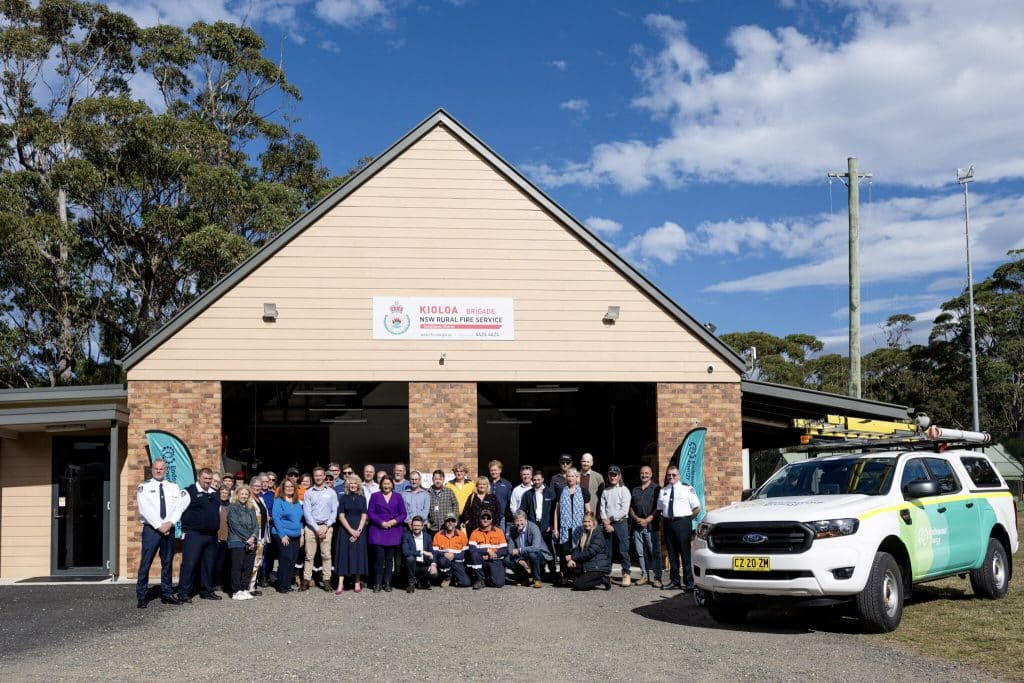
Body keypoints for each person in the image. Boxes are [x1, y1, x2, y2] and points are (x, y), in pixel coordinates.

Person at [135, 458, 187, 608]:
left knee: (167, 562)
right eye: (156, 468)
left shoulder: (173, 487)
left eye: (161, 468)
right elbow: (144, 509)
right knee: (146, 563)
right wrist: (159, 526)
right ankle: (142, 596)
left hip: (168, 529)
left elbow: (178, 507)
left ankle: (167, 593)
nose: (158, 471)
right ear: (152, 469)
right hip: (152, 529)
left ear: (165, 470)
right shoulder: (144, 487)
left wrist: (170, 523)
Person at [177, 468, 223, 603]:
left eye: (210, 479)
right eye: (205, 478)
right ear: (198, 477)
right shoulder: (188, 492)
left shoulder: (214, 494)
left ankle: (206, 591)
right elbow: (177, 511)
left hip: (211, 536)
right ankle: (184, 593)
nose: (207, 481)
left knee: (208, 565)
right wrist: (180, 532)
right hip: (194, 535)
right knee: (189, 565)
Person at [657, 466, 701, 591]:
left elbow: (697, 508)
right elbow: (660, 509)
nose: (671, 477)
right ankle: (675, 581)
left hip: (683, 523)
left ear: (679, 476)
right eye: (669, 475)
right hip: (668, 523)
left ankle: (689, 582)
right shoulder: (663, 491)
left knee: (685, 554)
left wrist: (687, 520)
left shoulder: (687, 489)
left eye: (674, 475)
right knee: (672, 553)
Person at [301, 466, 338, 592]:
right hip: (311, 527)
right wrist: (317, 528)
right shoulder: (308, 493)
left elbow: (334, 512)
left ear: (324, 476)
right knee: (309, 555)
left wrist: (326, 526)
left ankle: (326, 580)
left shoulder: (331, 493)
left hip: (327, 527)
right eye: (316, 475)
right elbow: (307, 513)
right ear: (313, 477)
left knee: (326, 555)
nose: (318, 477)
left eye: (321, 475)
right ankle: (306, 579)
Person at [367, 474, 407, 592]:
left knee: (389, 559)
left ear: (392, 485)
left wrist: (394, 521)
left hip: (393, 531)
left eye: (389, 483)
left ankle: (388, 583)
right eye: (384, 483)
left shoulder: (398, 496)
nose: (386, 486)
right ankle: (378, 584)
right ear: (381, 485)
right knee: (378, 559)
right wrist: (381, 523)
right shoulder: (375, 496)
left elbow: (403, 514)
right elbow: (370, 512)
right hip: (378, 531)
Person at [553, 468, 590, 585]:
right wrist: (555, 527)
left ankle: (576, 575)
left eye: (572, 476)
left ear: (576, 478)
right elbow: (556, 511)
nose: (570, 478)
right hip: (565, 527)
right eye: (568, 476)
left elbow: (588, 510)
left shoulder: (583, 492)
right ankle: (565, 575)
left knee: (577, 550)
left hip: (579, 527)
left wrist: (590, 525)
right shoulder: (561, 491)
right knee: (565, 550)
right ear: (566, 478)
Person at [333, 474, 369, 594]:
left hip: (360, 530)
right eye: (351, 483)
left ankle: (357, 582)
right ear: (348, 485)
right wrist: (350, 530)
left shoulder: (362, 498)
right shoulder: (343, 498)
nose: (353, 485)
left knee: (358, 555)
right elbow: (341, 516)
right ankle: (340, 584)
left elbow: (364, 515)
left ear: (358, 485)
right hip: (345, 530)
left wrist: (358, 530)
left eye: (355, 483)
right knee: (343, 555)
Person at [520, 469, 558, 579]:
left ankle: (553, 572)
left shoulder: (550, 493)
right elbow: (522, 510)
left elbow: (554, 511)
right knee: (535, 549)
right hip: (533, 526)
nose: (536, 482)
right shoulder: (528, 494)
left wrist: (551, 525)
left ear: (542, 479)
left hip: (546, 527)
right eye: (534, 480)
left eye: (538, 480)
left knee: (548, 550)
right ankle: (538, 572)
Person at [630, 465, 662, 587]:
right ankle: (644, 576)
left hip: (651, 527)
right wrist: (637, 519)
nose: (644, 475)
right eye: (642, 473)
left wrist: (647, 520)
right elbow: (631, 507)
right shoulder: (635, 490)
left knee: (654, 552)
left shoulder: (657, 488)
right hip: (638, 526)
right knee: (640, 553)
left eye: (647, 473)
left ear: (651, 474)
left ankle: (657, 578)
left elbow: (658, 507)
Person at [600, 465, 632, 586]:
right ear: (608, 476)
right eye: (611, 475)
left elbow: (624, 510)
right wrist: (605, 521)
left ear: (619, 476)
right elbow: (602, 508)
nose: (613, 477)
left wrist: (610, 519)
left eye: (615, 475)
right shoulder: (605, 491)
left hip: (620, 523)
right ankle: (607, 573)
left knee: (623, 549)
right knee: (608, 550)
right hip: (607, 523)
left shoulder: (624, 490)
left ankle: (626, 574)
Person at [271, 478, 303, 593]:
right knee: (286, 558)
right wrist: (282, 535)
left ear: (294, 488)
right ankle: (282, 586)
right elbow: (276, 518)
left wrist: (301, 534)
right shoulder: (279, 501)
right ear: (283, 489)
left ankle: (288, 584)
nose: (289, 488)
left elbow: (300, 520)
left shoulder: (297, 502)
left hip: (296, 535)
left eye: (291, 486)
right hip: (283, 534)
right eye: (286, 487)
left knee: (293, 560)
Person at [227, 485, 259, 600]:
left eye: (246, 494)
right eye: (242, 494)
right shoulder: (232, 507)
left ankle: (245, 588)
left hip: (250, 542)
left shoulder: (251, 508)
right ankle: (236, 591)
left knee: (248, 567)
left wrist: (253, 537)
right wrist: (248, 539)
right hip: (237, 541)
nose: (244, 496)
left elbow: (256, 525)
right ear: (237, 494)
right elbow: (235, 525)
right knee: (237, 567)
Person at [504, 509, 550, 588]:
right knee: (506, 560)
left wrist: (520, 550)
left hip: (539, 554)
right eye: (517, 521)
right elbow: (510, 549)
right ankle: (526, 577)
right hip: (522, 556)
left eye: (521, 520)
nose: (519, 523)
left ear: (526, 520)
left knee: (532, 554)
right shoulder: (512, 530)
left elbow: (535, 548)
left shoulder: (533, 528)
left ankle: (537, 579)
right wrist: (519, 560)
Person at [567, 512, 611, 591]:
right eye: (585, 521)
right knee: (569, 565)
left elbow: (590, 553)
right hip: (589, 563)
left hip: (597, 567)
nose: (586, 524)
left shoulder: (598, 533)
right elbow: (578, 549)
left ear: (594, 522)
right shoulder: (584, 533)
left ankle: (603, 579)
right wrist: (572, 559)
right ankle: (585, 579)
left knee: (578, 585)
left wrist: (573, 557)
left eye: (589, 521)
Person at [467, 510, 507, 589]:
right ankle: (480, 580)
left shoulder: (499, 532)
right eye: (483, 517)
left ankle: (488, 577)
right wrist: (487, 550)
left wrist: (494, 555)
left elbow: (504, 550)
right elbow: (471, 549)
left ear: (491, 520)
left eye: (488, 518)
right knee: (474, 555)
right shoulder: (474, 533)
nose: (485, 520)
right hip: (482, 560)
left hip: (494, 559)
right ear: (480, 519)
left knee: (499, 584)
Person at [432, 512, 471, 587]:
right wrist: (444, 554)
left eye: (452, 520)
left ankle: (454, 578)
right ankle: (447, 577)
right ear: (445, 522)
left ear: (456, 523)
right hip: (444, 561)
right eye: (448, 520)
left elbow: (465, 553)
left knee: (465, 583)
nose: (450, 522)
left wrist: (454, 556)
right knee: (443, 561)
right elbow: (434, 552)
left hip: (457, 562)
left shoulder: (462, 535)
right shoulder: (438, 535)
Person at [401, 516, 436, 592]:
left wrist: (433, 564)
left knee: (435, 575)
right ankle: (411, 583)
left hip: (424, 564)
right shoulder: (406, 535)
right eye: (414, 525)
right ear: (411, 526)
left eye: (418, 525)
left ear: (423, 526)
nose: (416, 528)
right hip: (412, 565)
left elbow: (432, 552)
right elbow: (405, 552)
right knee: (410, 558)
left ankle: (420, 580)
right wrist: (422, 552)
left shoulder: (428, 537)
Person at [248, 476, 270, 594]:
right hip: (252, 536)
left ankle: (253, 586)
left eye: (259, 486)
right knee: (250, 562)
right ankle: (247, 586)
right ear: (250, 487)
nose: (257, 488)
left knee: (258, 561)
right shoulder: (248, 500)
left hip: (262, 536)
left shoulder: (260, 499)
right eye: (255, 486)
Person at [487, 459, 513, 532]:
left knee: (500, 539)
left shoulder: (507, 484)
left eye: (495, 470)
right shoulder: (486, 483)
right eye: (491, 470)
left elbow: (510, 501)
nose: (493, 472)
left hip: (501, 517)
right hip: (487, 517)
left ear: (500, 470)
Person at [579, 453, 605, 517]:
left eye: (588, 462)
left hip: (593, 513)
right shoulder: (575, 475)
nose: (585, 464)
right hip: (578, 513)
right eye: (584, 461)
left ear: (592, 463)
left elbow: (602, 497)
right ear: (581, 462)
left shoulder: (598, 477)